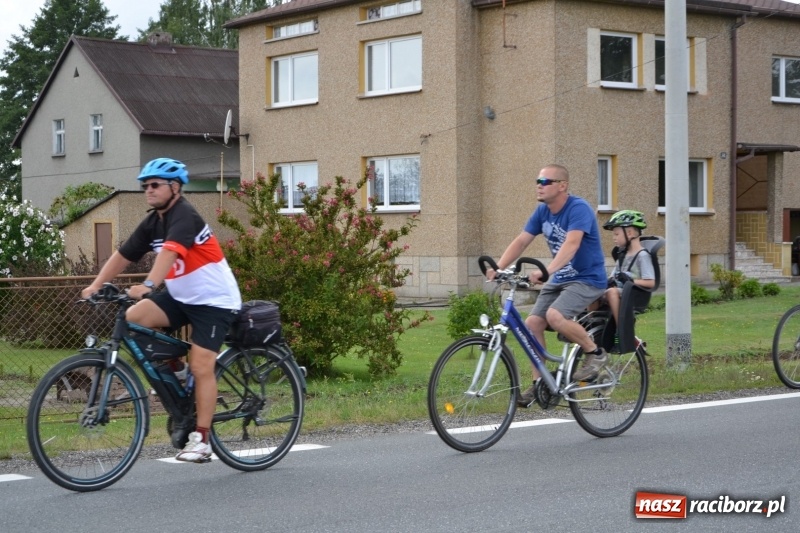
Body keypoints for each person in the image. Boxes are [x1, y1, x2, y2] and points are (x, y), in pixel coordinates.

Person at [81, 158, 242, 463]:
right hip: (182, 297)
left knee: (202, 364)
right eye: (145, 186)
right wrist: (96, 284)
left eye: (155, 185)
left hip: (214, 301)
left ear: (175, 188)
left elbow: (169, 253)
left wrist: (150, 284)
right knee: (135, 318)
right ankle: (177, 372)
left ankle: (201, 440)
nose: (148, 190)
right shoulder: (153, 220)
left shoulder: (185, 215)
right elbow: (123, 254)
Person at [486, 164, 608, 407]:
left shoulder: (579, 209)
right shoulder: (542, 212)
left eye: (545, 182)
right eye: (537, 181)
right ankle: (540, 384)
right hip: (561, 279)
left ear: (562, 186)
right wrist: (498, 268)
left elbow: (572, 244)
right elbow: (522, 241)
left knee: (555, 315)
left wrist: (546, 271)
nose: (539, 186)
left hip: (587, 279)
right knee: (531, 324)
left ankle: (595, 354)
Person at [602, 210, 655, 339]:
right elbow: (613, 276)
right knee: (593, 290)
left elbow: (651, 282)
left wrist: (631, 280)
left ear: (629, 233)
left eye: (616, 234)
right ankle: (593, 325)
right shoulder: (622, 254)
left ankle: (622, 329)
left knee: (611, 292)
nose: (614, 237)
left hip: (634, 294)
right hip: (622, 291)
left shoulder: (642, 255)